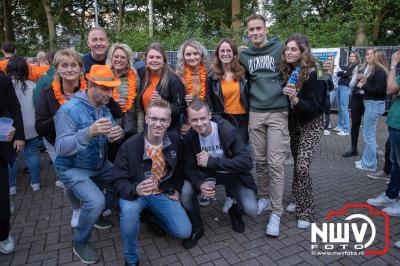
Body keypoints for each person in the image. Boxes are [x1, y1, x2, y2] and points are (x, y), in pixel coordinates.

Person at [54, 65, 124, 264]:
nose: (111, 94)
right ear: (91, 85)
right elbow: (60, 148)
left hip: (98, 164)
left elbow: (110, 132)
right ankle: (80, 242)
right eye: (106, 89)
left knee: (120, 181)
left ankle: (96, 216)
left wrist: (116, 135)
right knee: (95, 201)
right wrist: (88, 132)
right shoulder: (68, 110)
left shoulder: (102, 106)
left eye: (112, 89)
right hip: (72, 167)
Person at [111, 98, 191, 266]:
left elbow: (180, 166)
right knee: (130, 213)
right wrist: (135, 189)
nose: (157, 124)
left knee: (184, 231)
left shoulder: (175, 140)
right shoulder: (129, 145)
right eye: (153, 118)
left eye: (163, 120)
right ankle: (131, 259)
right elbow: (117, 180)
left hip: (161, 191)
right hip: (135, 194)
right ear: (146, 119)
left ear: (169, 122)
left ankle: (151, 216)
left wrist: (177, 187)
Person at [180, 99, 257, 249]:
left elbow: (246, 162)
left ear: (209, 115)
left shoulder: (227, 129)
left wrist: (212, 161)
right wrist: (199, 184)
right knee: (185, 192)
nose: (199, 123)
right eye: (194, 120)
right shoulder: (189, 138)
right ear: (189, 120)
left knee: (252, 209)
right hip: (206, 175)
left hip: (231, 174)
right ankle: (197, 227)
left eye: (202, 118)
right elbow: (188, 169)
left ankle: (235, 212)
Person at [239, 14, 290, 236]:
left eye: (258, 28)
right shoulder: (245, 55)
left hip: (278, 112)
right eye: (251, 30)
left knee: (275, 163)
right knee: (259, 161)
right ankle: (263, 198)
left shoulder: (280, 49)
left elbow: (304, 64)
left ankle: (276, 212)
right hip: (256, 113)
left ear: (266, 29)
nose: (255, 33)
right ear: (248, 33)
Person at [35, 49, 87, 226]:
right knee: (69, 181)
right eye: (64, 65)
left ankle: (91, 206)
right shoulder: (47, 93)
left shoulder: (88, 90)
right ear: (57, 69)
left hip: (82, 141)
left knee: (86, 176)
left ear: (80, 69)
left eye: (74, 65)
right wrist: (60, 116)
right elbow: (40, 127)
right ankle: (77, 209)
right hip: (55, 142)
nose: (70, 69)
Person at [280, 34, 327, 229]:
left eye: (293, 49)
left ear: (303, 51)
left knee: (302, 167)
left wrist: (295, 98)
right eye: (287, 49)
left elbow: (316, 108)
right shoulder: (289, 70)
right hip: (295, 124)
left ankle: (306, 211)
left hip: (312, 124)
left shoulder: (316, 73)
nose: (288, 52)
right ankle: (297, 198)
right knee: (297, 164)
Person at [206, 38, 249, 213]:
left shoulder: (243, 73)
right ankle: (230, 196)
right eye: (222, 51)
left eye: (228, 51)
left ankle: (240, 196)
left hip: (242, 121)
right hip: (224, 121)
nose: (225, 54)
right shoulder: (212, 76)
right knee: (227, 158)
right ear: (217, 54)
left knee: (240, 158)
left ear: (234, 53)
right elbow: (209, 102)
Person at [367, 50, 400, 224]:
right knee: (395, 160)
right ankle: (391, 194)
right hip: (395, 121)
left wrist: (394, 65)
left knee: (398, 161)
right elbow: (394, 93)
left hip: (397, 121)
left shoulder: (382, 71)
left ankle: (393, 196)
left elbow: (389, 89)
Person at [6, 56, 41, 194]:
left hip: (12, 127)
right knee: (32, 154)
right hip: (31, 125)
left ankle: (12, 186)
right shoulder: (32, 85)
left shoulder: (6, 85)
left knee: (11, 157)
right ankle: (35, 183)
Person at [137, 42, 186, 133]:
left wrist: (163, 103)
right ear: (146, 60)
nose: (154, 60)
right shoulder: (141, 74)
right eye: (151, 57)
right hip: (147, 128)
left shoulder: (173, 80)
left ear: (164, 61)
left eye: (158, 57)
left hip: (168, 130)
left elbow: (181, 108)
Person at [0, 72, 23, 254]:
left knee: (2, 203)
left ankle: (3, 233)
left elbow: (14, 107)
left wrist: (19, 135)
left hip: (0, 146)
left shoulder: (2, 79)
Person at [355, 49, 388, 171]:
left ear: (377, 57)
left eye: (372, 55)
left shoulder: (379, 71)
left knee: (368, 135)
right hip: (372, 104)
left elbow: (379, 90)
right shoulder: (379, 71)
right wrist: (365, 80)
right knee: (369, 134)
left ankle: (369, 164)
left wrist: (363, 85)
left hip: (373, 104)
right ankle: (367, 160)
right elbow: (376, 86)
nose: (369, 56)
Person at [343, 48, 375, 157]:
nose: (368, 56)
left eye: (371, 54)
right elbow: (351, 85)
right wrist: (356, 78)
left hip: (369, 98)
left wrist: (365, 81)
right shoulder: (360, 67)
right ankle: (353, 149)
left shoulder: (377, 70)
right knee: (355, 124)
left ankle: (371, 152)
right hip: (357, 97)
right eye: (367, 54)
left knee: (368, 126)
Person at [334, 52, 360, 136]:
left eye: (353, 56)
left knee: (344, 108)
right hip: (340, 86)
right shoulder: (348, 65)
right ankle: (340, 126)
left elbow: (347, 74)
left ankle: (346, 129)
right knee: (340, 107)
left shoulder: (355, 66)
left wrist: (343, 73)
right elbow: (340, 74)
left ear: (356, 58)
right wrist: (343, 74)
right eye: (350, 56)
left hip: (345, 87)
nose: (351, 57)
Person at [176, 39, 210, 105]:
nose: (192, 57)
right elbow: (175, 99)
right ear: (183, 57)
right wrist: (184, 99)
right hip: (186, 112)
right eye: (188, 54)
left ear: (201, 55)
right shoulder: (178, 74)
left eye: (195, 53)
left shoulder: (210, 72)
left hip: (208, 111)